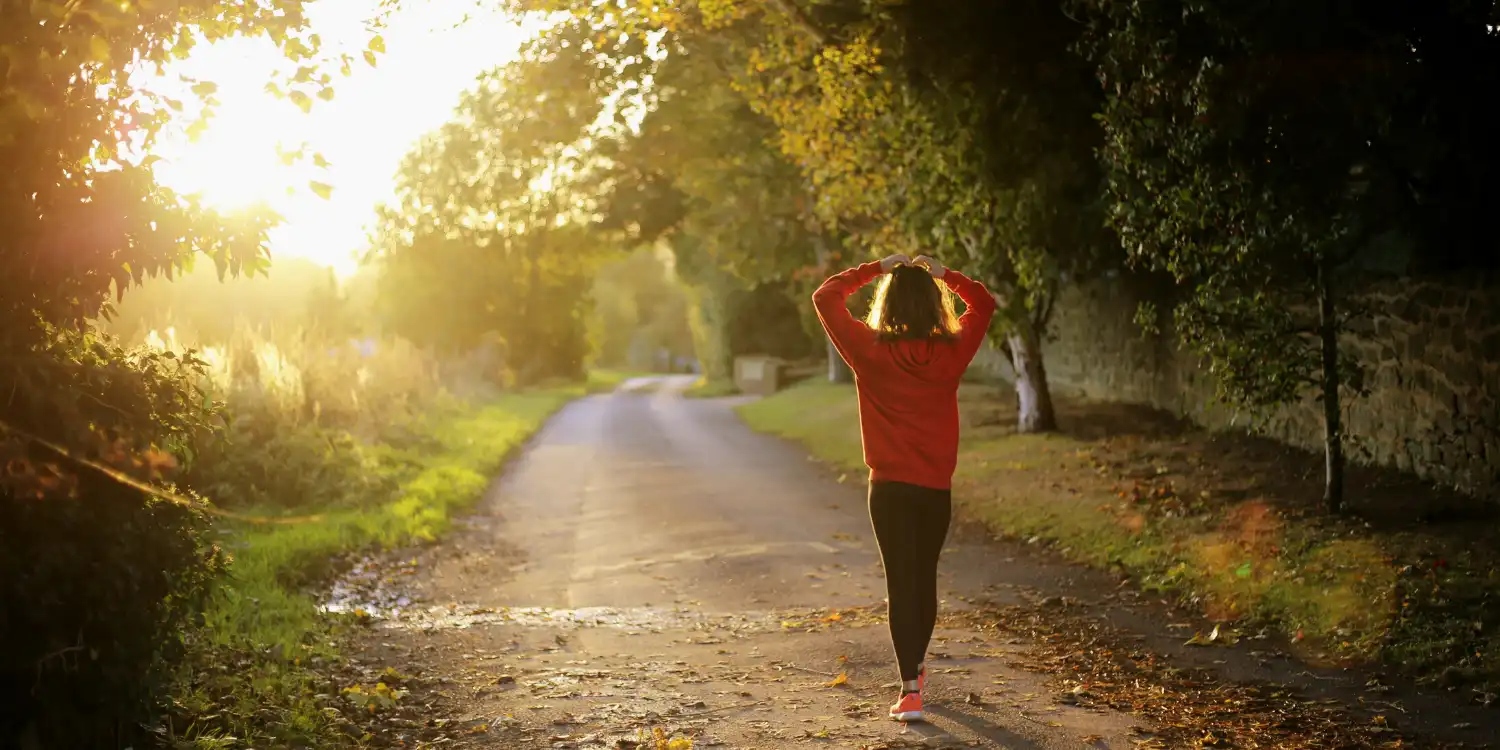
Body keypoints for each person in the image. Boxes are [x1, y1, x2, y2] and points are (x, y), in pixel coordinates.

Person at [811, 253, 998, 723]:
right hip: (935, 488)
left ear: (887, 304)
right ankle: (915, 671)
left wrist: (876, 268)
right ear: (935, 305)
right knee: (924, 578)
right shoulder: (952, 352)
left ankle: (910, 689)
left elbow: (825, 296)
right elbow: (985, 303)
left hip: (889, 489)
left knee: (901, 582)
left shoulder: (868, 349)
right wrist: (945, 275)